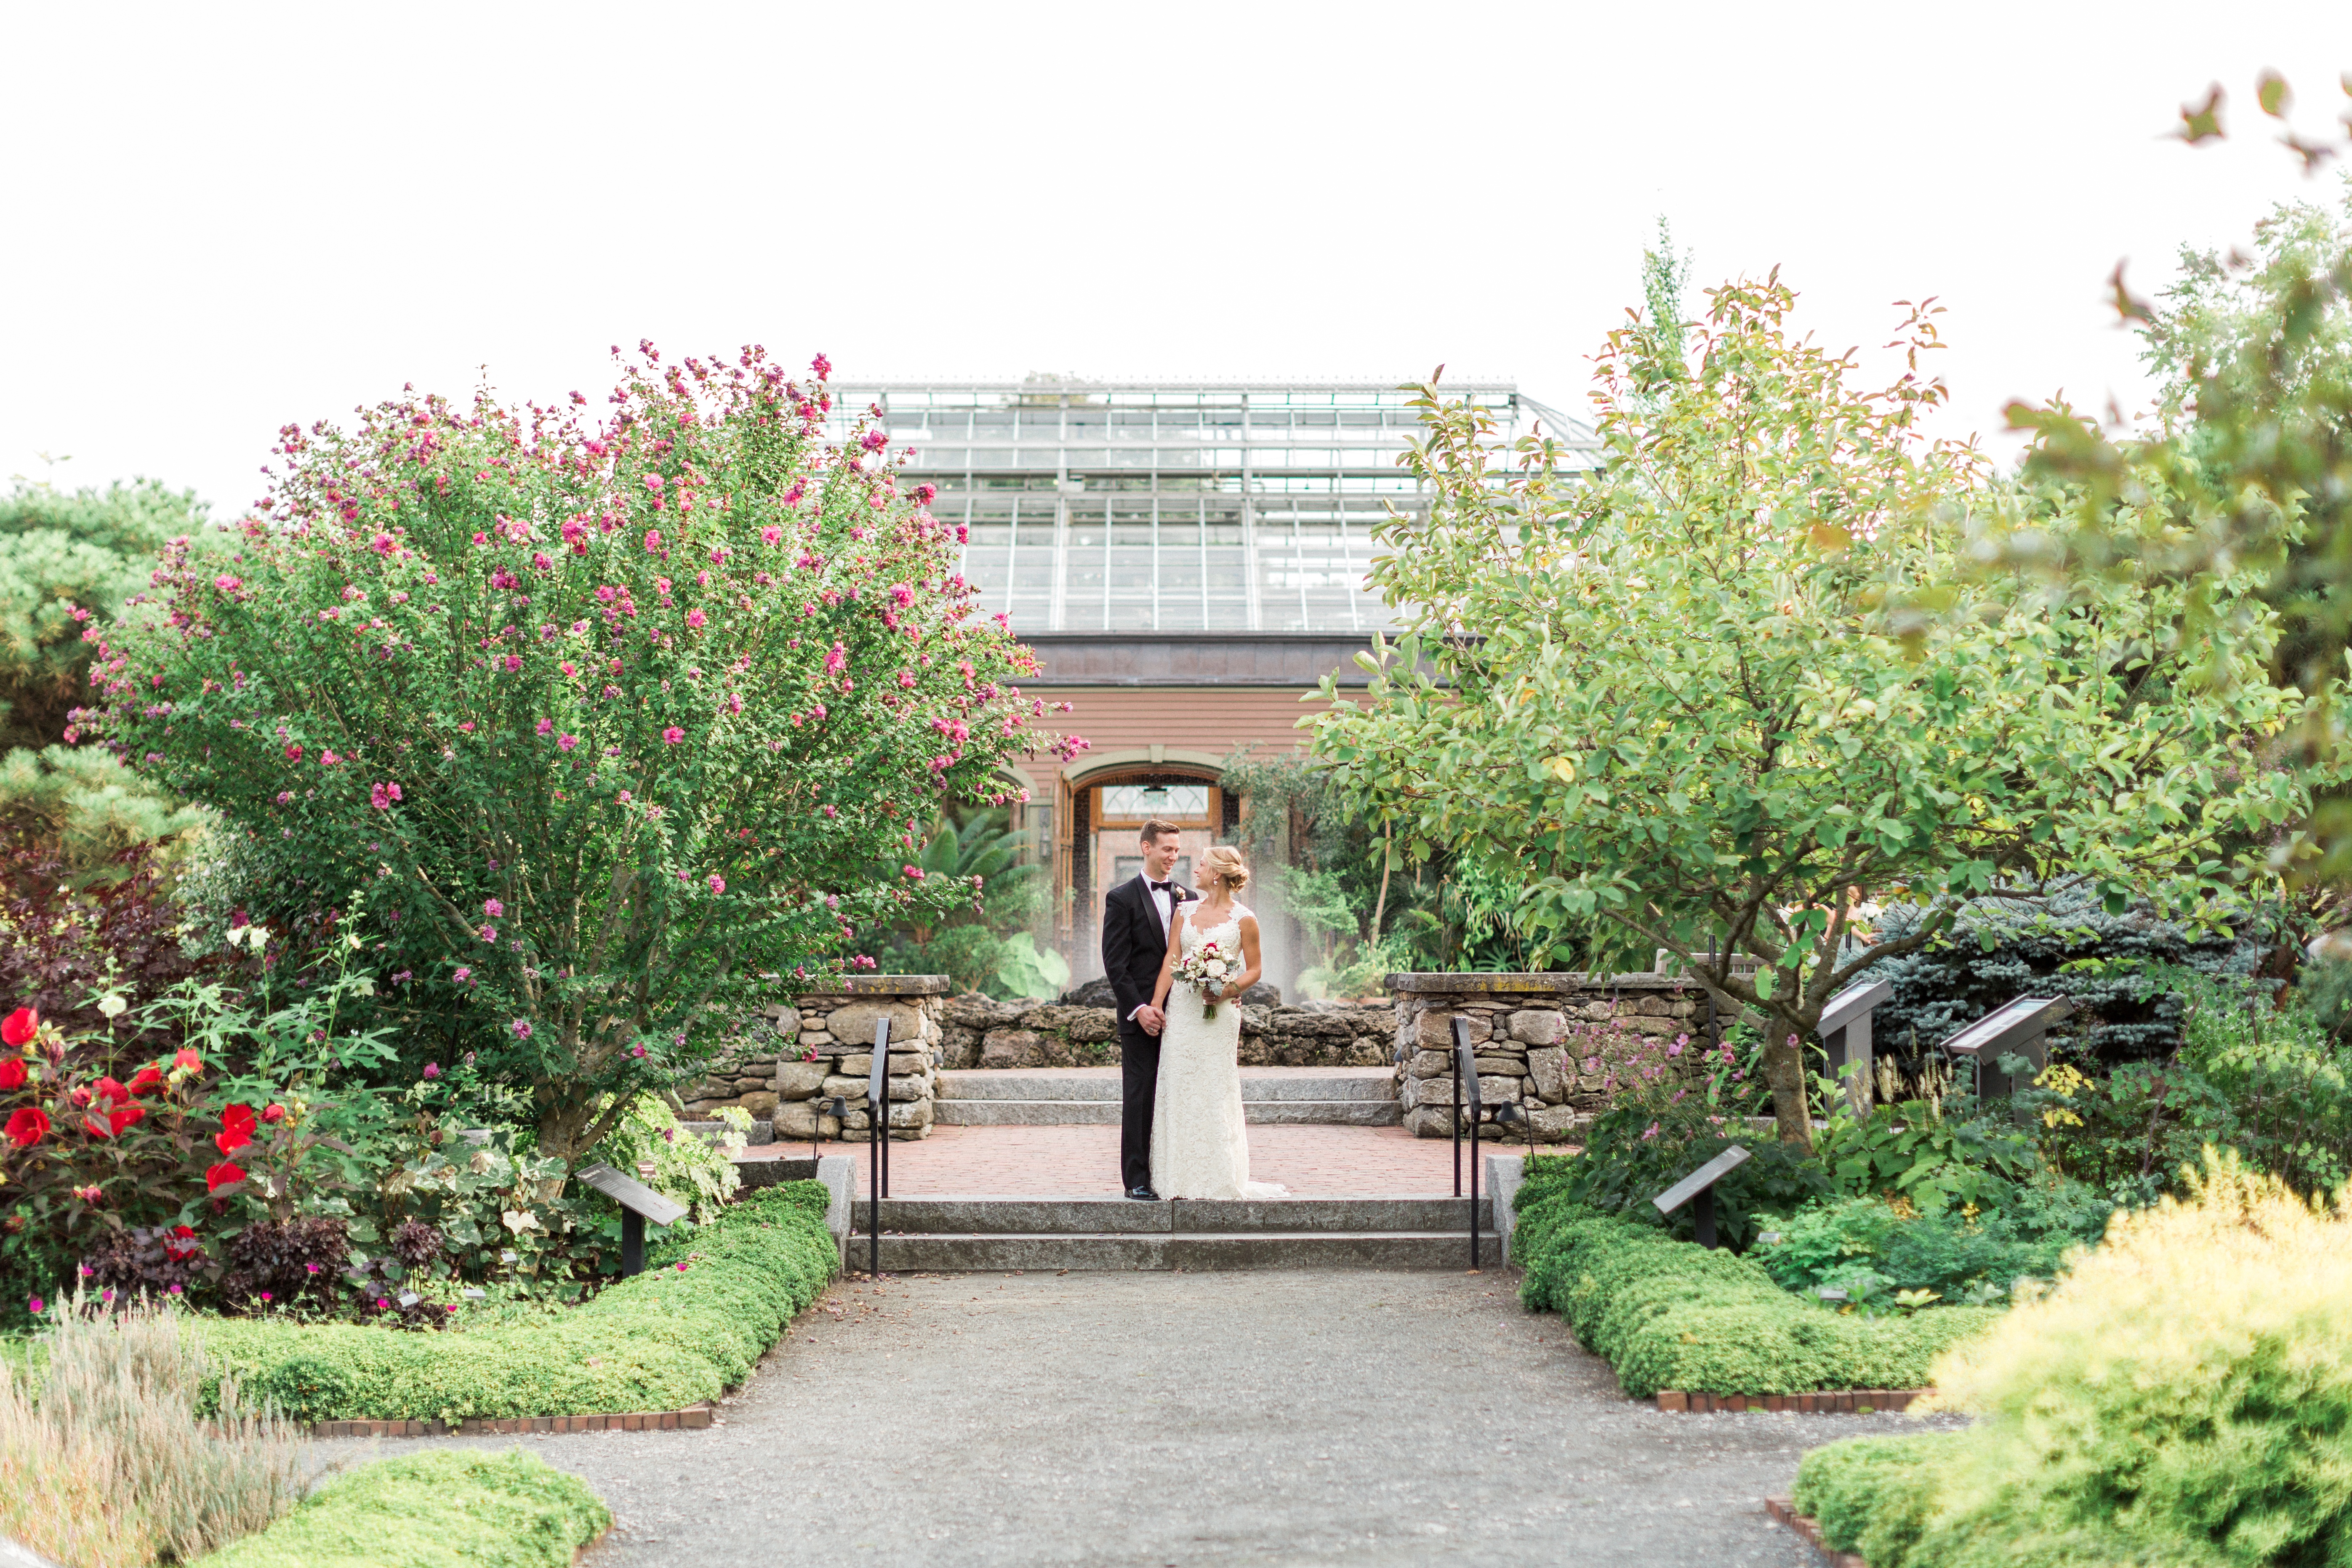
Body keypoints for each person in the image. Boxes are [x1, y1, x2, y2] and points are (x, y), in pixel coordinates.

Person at [1145, 844, 1284, 1201]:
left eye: (1202, 865)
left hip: (1219, 1016)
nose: (1196, 870)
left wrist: (1227, 990)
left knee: (1214, 1087)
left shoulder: (1244, 918)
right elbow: (1170, 961)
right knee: (1179, 1086)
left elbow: (1254, 969)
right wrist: (1156, 1005)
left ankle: (1218, 1175)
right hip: (1183, 1012)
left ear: (1217, 874)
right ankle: (1176, 1177)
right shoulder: (1184, 911)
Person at [1099, 819, 1192, 1200]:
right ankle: (1136, 1179)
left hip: (1185, 1015)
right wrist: (1139, 1008)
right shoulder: (1120, 898)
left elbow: (1204, 951)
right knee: (1140, 1097)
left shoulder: (1188, 897)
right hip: (1141, 1018)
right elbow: (1114, 964)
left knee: (1179, 1094)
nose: (1173, 856)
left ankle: (1177, 1172)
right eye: (1166, 849)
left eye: (1176, 850)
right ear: (1146, 847)